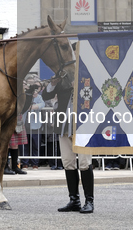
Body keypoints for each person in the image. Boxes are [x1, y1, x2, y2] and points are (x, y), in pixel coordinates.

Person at [44, 77, 94, 214]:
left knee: (84, 163)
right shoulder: (62, 80)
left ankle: (89, 201)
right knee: (68, 162)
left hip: (83, 126)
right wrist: (53, 82)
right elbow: (45, 95)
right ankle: (74, 200)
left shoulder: (88, 77)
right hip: (64, 126)